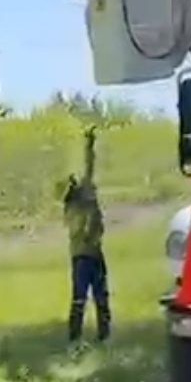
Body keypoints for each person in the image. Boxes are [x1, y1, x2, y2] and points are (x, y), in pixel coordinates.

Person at [64, 135, 111, 344]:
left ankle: (95, 335)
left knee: (93, 298)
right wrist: (89, 148)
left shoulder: (78, 207)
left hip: (90, 255)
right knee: (84, 299)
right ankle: (81, 336)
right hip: (85, 257)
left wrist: (89, 148)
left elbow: (89, 170)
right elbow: (89, 170)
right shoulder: (79, 209)